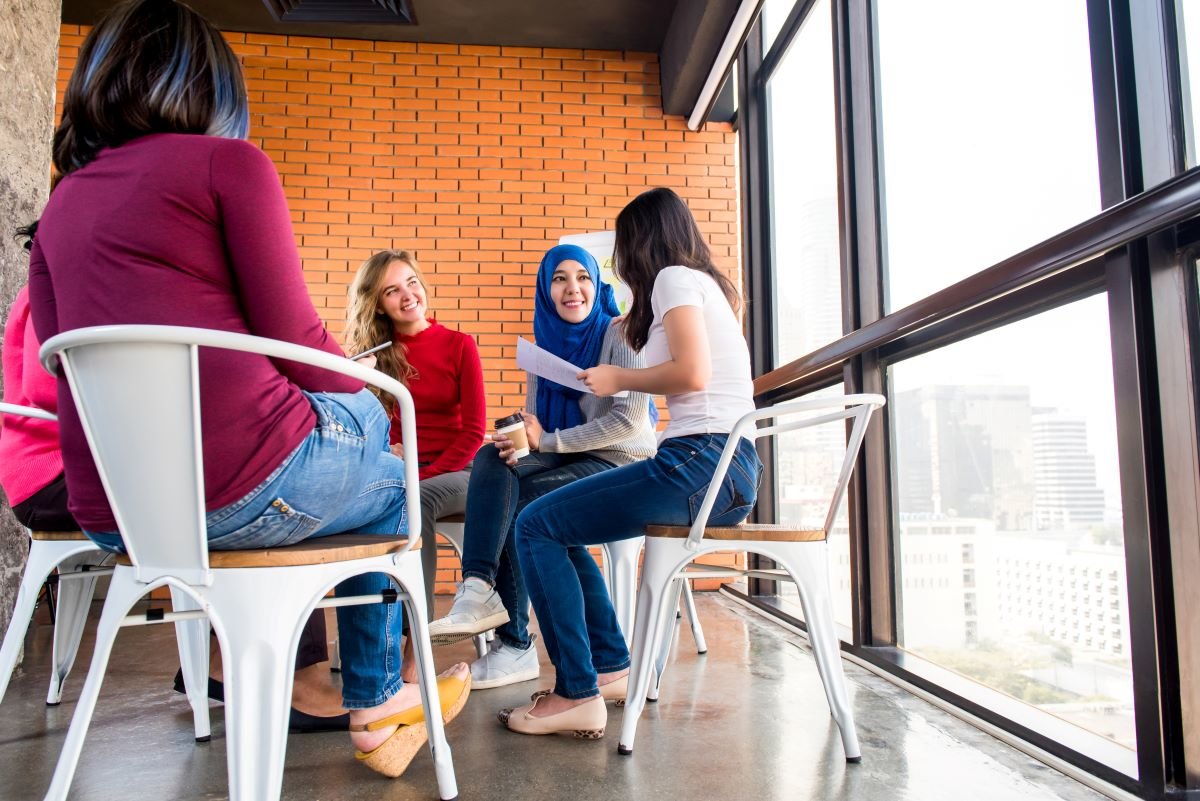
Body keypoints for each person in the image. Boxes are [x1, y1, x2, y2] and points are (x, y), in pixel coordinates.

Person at [26, 0, 467, 775]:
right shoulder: (229, 166)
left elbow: (60, 363)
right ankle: (375, 699)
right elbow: (298, 347)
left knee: (358, 446)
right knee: (388, 463)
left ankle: (319, 678)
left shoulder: (61, 205)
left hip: (117, 512)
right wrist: (363, 394)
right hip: (246, 485)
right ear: (212, 85)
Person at [498, 188, 763, 737]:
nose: (621, 263)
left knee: (533, 523)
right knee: (555, 525)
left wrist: (621, 378)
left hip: (699, 463)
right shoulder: (703, 283)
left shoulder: (674, 278)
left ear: (643, 239)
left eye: (623, 246)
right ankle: (612, 667)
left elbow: (692, 375)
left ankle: (576, 692)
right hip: (726, 468)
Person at [427, 244, 656, 690]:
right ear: (545, 289)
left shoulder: (621, 333)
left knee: (527, 511)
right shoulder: (542, 347)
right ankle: (477, 588)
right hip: (569, 456)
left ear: (597, 284)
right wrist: (522, 441)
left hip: (621, 461)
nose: (573, 289)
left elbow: (629, 422)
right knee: (493, 455)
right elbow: (538, 431)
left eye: (583, 277)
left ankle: (516, 645)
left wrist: (548, 441)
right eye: (559, 279)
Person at [345, 250, 486, 619]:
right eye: (392, 291)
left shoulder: (460, 345)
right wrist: (358, 383)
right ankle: (374, 636)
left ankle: (415, 643)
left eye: (412, 282)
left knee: (415, 498)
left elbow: (473, 432)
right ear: (377, 305)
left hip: (460, 472)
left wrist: (416, 476)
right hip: (399, 471)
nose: (408, 295)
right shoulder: (373, 356)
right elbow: (362, 429)